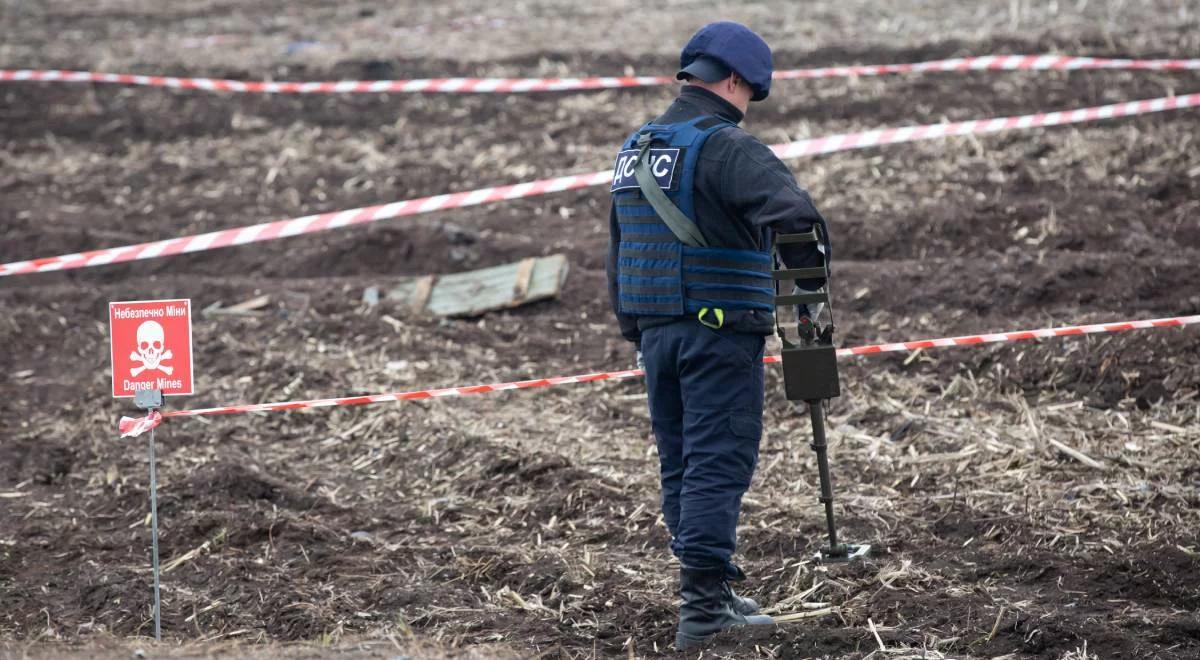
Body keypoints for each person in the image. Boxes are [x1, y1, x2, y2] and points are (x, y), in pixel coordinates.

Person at [605, 21, 831, 650]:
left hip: (658, 334)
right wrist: (811, 322)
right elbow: (800, 219)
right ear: (734, 80)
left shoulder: (637, 147)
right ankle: (704, 610)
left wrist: (638, 328)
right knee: (717, 462)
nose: (746, 110)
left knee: (681, 462)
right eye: (750, 95)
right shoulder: (728, 147)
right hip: (718, 334)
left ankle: (709, 586)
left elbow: (619, 248)